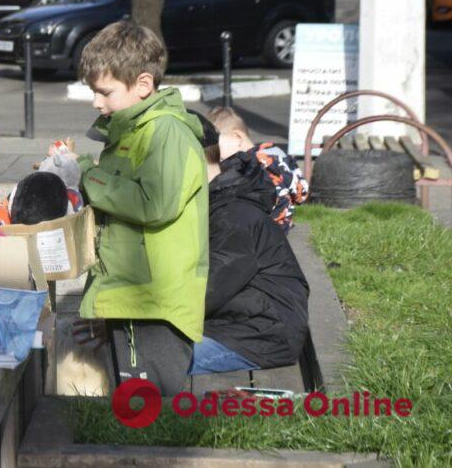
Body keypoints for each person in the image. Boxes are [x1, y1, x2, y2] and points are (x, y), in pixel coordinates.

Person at [65, 21, 208, 396]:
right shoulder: (132, 129)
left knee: (147, 410)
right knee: (131, 406)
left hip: (152, 300)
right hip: (132, 294)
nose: (97, 102)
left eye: (105, 92)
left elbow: (154, 203)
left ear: (143, 85)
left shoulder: (165, 133)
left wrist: (87, 176)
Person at [194, 126, 309, 374]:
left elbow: (206, 291)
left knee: (151, 359)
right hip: (242, 323)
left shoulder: (233, 216)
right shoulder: (220, 200)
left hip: (260, 336)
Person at [208, 106, 308, 233]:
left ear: (237, 137)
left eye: (216, 145)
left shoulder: (252, 167)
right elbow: (301, 193)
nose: (215, 153)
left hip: (265, 230)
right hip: (283, 224)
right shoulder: (277, 154)